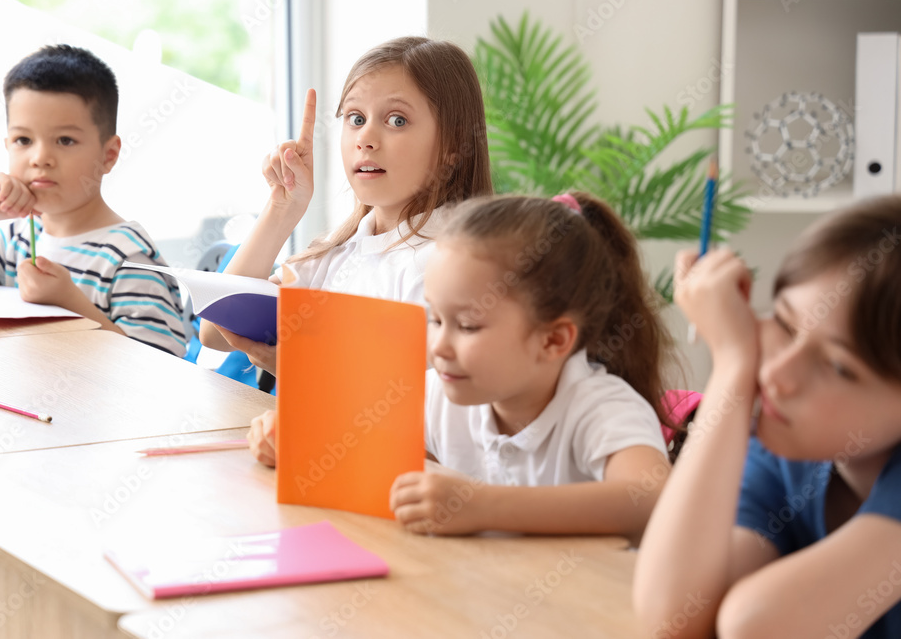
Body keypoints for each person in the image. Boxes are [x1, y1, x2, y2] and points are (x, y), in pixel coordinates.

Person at [252, 194, 675, 542]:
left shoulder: (599, 407)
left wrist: (482, 506)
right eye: (435, 319)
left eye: (468, 325)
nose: (439, 346)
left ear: (553, 340)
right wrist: (293, 440)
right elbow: (350, 439)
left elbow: (650, 499)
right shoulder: (439, 394)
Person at [633, 195, 901, 638]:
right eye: (785, 324)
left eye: (837, 366)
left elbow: (757, 626)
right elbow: (672, 615)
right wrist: (733, 366)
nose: (778, 374)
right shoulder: (787, 463)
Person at [200, 36, 493, 373]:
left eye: (397, 120)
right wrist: (284, 208)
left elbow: (424, 409)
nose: (365, 139)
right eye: (355, 118)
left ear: (452, 149)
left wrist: (305, 371)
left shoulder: (449, 265)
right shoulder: (339, 254)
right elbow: (217, 331)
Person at [0, 44, 186, 356]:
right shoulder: (17, 239)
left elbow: (162, 365)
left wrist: (69, 302)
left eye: (65, 140)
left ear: (108, 155)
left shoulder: (129, 259)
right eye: (23, 140)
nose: (40, 158)